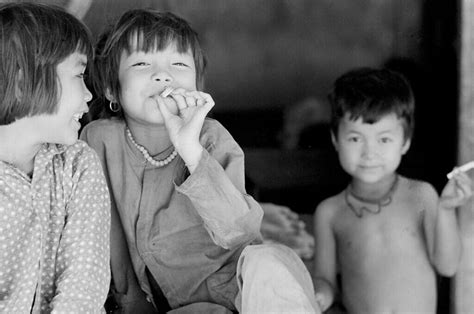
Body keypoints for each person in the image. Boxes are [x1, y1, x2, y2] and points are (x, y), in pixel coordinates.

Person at [81, 9, 318, 313]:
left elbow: (239, 231)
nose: (162, 75)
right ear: (112, 88)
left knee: (266, 262)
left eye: (178, 64)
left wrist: (190, 150)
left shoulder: (210, 137)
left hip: (243, 289)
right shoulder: (98, 140)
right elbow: (108, 229)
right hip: (184, 306)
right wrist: (130, 299)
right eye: (141, 63)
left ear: (197, 89)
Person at [312, 67, 473, 313]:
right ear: (335, 139)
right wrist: (319, 295)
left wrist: (446, 209)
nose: (369, 153)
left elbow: (448, 266)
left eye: (384, 139)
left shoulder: (422, 195)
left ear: (405, 141)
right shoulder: (329, 212)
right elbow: (326, 282)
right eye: (355, 139)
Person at [0, 3, 111, 313]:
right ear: (23, 81)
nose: (90, 95)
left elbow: (85, 282)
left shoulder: (78, 164)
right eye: (79, 74)